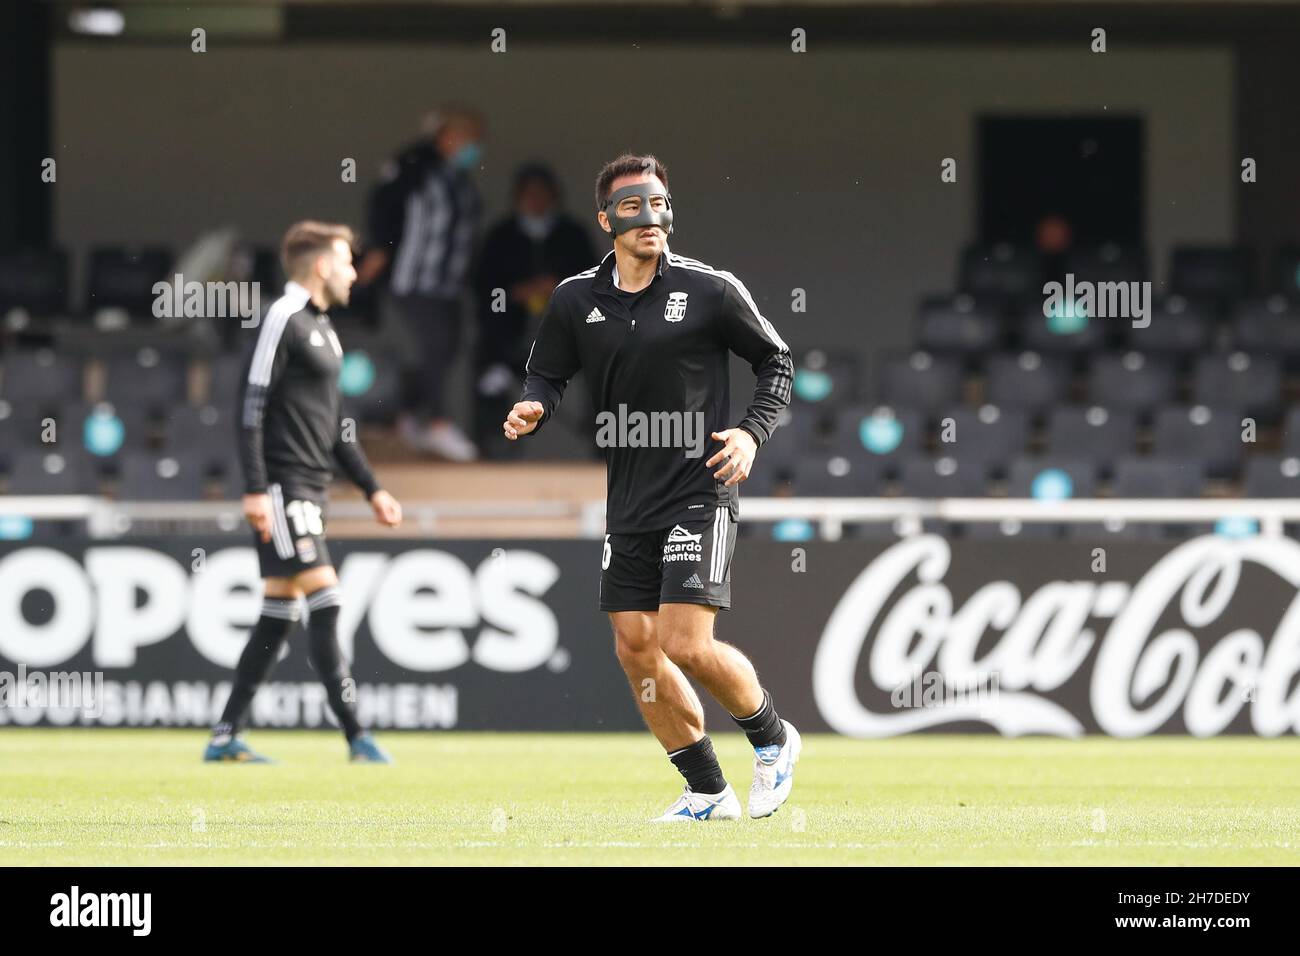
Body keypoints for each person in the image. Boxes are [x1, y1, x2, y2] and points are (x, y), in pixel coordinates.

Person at [502, 154, 800, 821]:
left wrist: (751, 433)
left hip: (701, 485)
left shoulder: (710, 289)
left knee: (683, 644)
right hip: (629, 496)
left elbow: (775, 362)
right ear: (606, 220)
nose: (650, 218)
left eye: (659, 203)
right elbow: (547, 374)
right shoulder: (576, 298)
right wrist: (534, 405)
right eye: (633, 207)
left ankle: (774, 739)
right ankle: (706, 791)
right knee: (635, 648)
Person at [205, 221, 403, 764]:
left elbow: (337, 427)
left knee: (278, 612)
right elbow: (251, 405)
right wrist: (252, 488)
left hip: (311, 490)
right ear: (321, 266)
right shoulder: (282, 317)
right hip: (281, 486)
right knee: (329, 599)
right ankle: (356, 734)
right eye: (346, 262)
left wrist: (372, 488)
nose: (354, 273)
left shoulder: (325, 330)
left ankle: (225, 736)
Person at [359, 106, 485, 461]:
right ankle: (437, 422)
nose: (475, 146)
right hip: (414, 278)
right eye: (469, 137)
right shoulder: (413, 165)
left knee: (447, 348)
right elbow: (384, 207)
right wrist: (379, 252)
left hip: (448, 283)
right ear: (446, 136)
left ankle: (407, 415)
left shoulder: (457, 177)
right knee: (432, 345)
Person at [473, 163, 596, 456]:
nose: (535, 201)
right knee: (490, 378)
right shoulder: (500, 236)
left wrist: (560, 288)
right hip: (509, 338)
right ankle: (494, 449)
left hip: (568, 335)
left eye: (542, 195)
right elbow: (482, 287)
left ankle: (602, 449)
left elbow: (595, 279)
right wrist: (516, 292)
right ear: (517, 198)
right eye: (529, 195)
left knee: (604, 372)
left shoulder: (572, 234)